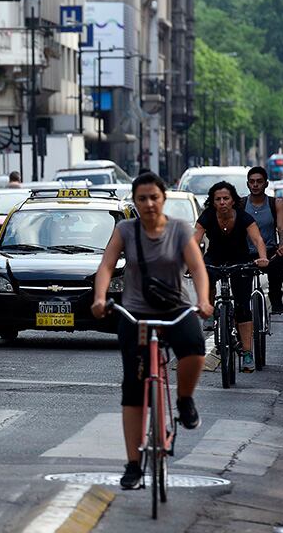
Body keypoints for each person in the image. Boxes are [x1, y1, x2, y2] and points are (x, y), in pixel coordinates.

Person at [92, 172, 213, 490]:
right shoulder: (125, 230)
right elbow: (106, 266)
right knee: (133, 387)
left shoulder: (179, 230)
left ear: (163, 199)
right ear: (134, 201)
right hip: (135, 315)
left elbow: (198, 267)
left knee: (194, 348)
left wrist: (202, 300)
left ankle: (185, 400)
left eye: (154, 197)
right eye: (142, 198)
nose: (148, 203)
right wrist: (100, 298)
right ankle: (133, 464)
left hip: (176, 309)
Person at [192, 181, 269, 373]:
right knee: (205, 274)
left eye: (226, 198)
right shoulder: (207, 216)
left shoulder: (244, 217)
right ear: (213, 202)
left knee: (243, 305)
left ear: (233, 200)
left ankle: (247, 352)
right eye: (218, 199)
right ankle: (209, 313)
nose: (222, 202)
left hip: (239, 259)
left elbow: (258, 239)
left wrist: (262, 257)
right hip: (215, 258)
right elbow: (195, 239)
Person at [243, 167, 283, 315]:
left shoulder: (276, 204)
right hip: (246, 252)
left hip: (269, 252)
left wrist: (282, 243)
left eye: (259, 182)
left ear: (266, 184)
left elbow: (282, 227)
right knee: (241, 288)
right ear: (247, 184)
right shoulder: (240, 204)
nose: (255, 185)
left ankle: (275, 296)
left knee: (280, 263)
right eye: (252, 182)